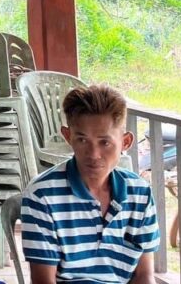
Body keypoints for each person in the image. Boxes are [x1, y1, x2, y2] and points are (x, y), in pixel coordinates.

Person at [21, 84, 159, 284]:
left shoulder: (140, 194)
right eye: (82, 140)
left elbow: (144, 276)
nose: (93, 154)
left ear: (126, 142)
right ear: (68, 137)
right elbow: (43, 281)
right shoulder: (42, 196)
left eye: (105, 142)